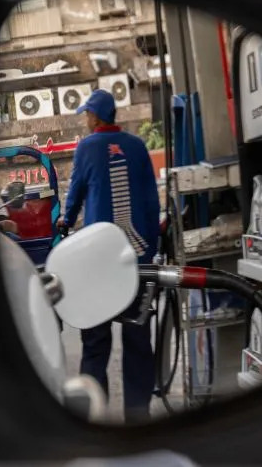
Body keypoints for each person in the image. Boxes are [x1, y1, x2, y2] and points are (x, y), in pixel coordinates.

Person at [57, 89, 160, 422]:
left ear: (96, 116)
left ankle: (96, 418)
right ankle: (138, 416)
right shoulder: (137, 146)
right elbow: (151, 201)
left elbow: (74, 194)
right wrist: (151, 250)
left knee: (96, 342)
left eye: (87, 114)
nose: (86, 120)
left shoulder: (87, 147)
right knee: (138, 342)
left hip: (98, 266)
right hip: (137, 262)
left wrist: (65, 222)